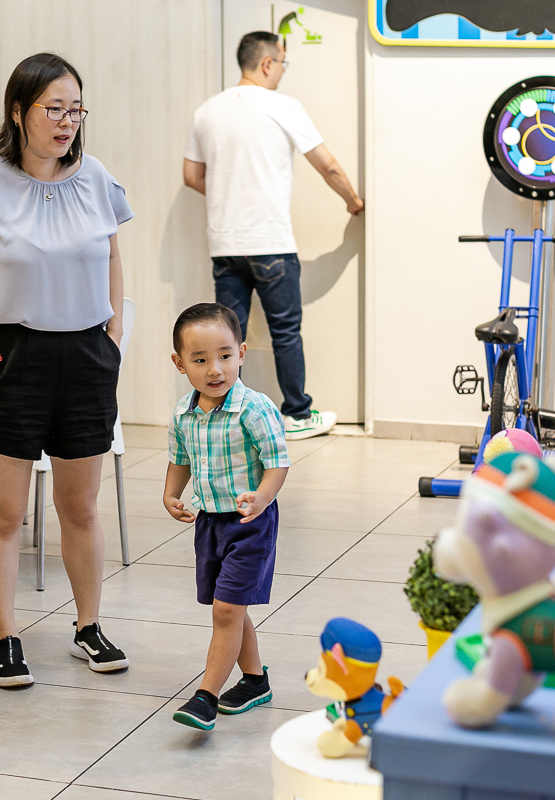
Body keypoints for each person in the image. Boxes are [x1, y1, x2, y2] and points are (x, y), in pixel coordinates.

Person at [0, 53, 131, 689]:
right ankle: (5, 637)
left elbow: (114, 256)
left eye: (75, 109)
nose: (67, 122)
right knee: (6, 514)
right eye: (53, 109)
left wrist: (114, 331)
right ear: (19, 112)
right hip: (13, 353)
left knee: (81, 509)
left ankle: (87, 625)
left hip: (86, 353)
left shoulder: (97, 179)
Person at [183, 31, 363, 441]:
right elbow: (328, 166)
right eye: (283, 62)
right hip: (271, 243)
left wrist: (228, 192)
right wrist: (353, 201)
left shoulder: (206, 112)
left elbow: (191, 177)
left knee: (227, 337)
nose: (283, 70)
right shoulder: (284, 106)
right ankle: (297, 414)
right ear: (267, 63)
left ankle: (225, 417)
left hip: (225, 244)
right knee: (285, 331)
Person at [164, 303, 290, 730]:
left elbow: (277, 462)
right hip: (209, 524)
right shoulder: (184, 413)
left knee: (225, 611)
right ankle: (255, 680)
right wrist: (171, 493)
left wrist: (262, 499)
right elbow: (180, 458)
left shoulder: (255, 408)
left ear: (241, 352)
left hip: (249, 524)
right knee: (231, 609)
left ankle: (206, 695)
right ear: (181, 364)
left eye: (224, 356)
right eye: (200, 360)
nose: (214, 369)